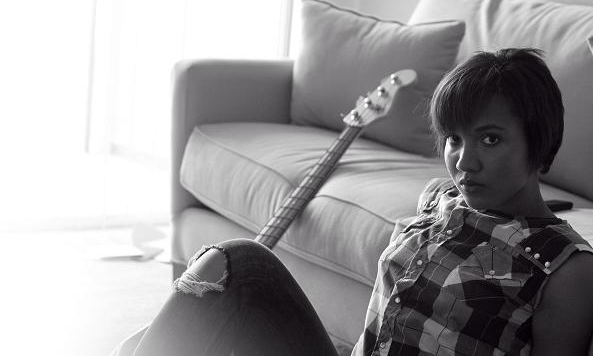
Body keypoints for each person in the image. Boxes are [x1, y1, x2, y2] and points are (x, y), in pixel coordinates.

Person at [116, 48, 593, 356]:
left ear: (540, 143)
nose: (464, 162)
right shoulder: (439, 202)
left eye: (490, 139)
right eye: (453, 139)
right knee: (231, 264)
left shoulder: (565, 269)